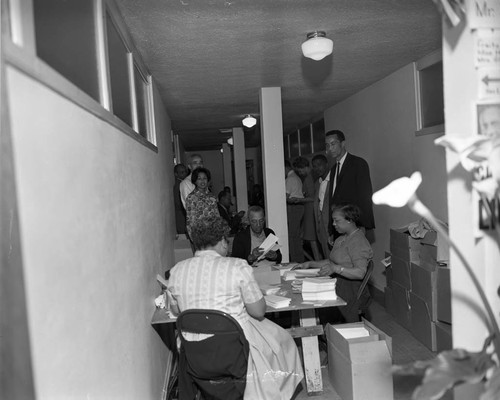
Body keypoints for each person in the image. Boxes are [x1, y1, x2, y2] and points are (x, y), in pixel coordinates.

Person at [167, 217, 303, 399]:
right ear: (223, 241)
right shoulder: (237, 266)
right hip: (233, 351)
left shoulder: (177, 271)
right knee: (282, 342)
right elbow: (258, 311)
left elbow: (176, 311)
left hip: (195, 353)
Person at [294, 204, 373, 323]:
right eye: (333, 220)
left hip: (350, 289)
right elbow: (332, 262)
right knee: (304, 291)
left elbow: (360, 273)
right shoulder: (342, 238)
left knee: (310, 298)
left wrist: (336, 269)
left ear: (350, 221)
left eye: (337, 221)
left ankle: (322, 331)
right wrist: (309, 264)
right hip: (339, 282)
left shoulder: (358, 242)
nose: (333, 224)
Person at [325, 130, 375, 239]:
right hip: (339, 226)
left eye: (333, 144)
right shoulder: (333, 169)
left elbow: (365, 196)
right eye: (327, 145)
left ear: (343, 143)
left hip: (354, 225)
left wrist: (363, 225)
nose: (330, 148)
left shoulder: (358, 164)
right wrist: (331, 229)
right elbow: (334, 200)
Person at [292, 156, 320, 260]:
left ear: (305, 167)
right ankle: (316, 260)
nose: (300, 172)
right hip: (309, 209)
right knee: (310, 238)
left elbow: (312, 198)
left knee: (311, 238)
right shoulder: (310, 177)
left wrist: (298, 200)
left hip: (310, 209)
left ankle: (317, 261)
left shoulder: (308, 178)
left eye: (300, 170)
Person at [185, 167, 219, 237]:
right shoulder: (191, 198)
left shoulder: (212, 197)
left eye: (204, 178)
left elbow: (217, 216)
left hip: (213, 235)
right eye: (199, 179)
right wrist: (194, 239)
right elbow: (190, 221)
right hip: (199, 236)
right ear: (195, 181)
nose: (202, 181)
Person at [311, 154, 331, 258]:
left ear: (326, 164)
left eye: (319, 165)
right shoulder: (317, 183)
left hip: (332, 225)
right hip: (321, 224)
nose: (317, 168)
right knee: (326, 255)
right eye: (314, 166)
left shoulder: (334, 181)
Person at [285, 160, 305, 262]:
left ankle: (295, 260)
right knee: (295, 235)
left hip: (294, 207)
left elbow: (286, 196)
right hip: (299, 207)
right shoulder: (297, 178)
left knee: (292, 236)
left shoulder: (290, 179)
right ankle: (298, 258)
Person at [173, 163, 188, 235]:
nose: (184, 174)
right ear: (176, 174)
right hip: (181, 216)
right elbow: (178, 204)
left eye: (185, 171)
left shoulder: (185, 182)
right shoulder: (178, 185)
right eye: (182, 172)